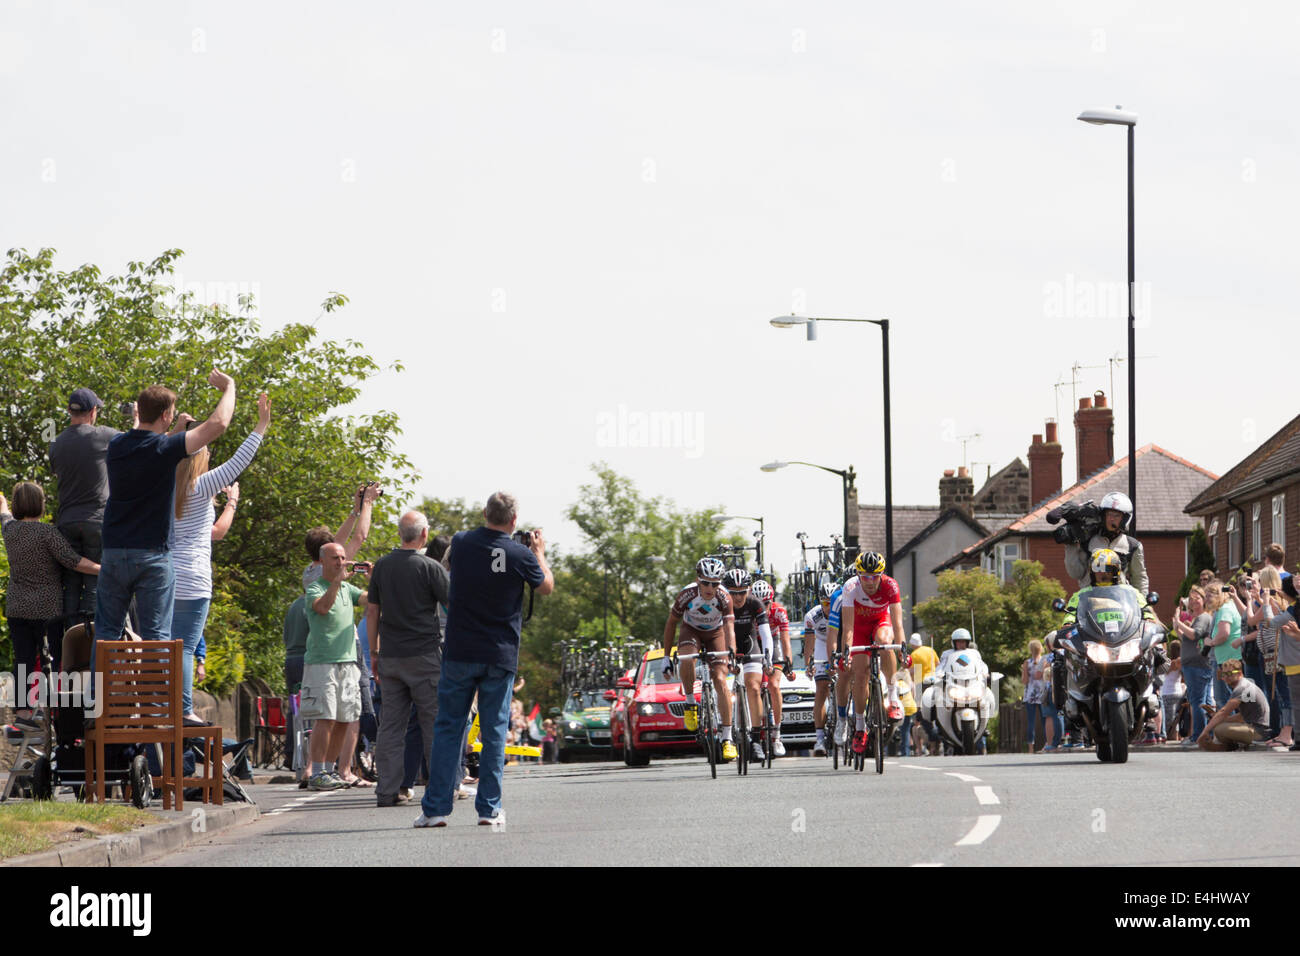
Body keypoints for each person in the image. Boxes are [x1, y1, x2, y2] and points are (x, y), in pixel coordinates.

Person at [415, 492, 553, 829]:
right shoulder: (520, 553)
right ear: (514, 521)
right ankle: (489, 809)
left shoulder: (462, 543)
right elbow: (545, 587)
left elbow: (445, 567)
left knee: (448, 727)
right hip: (499, 652)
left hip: (461, 649)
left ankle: (435, 809)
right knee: (493, 732)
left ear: (484, 513)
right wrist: (539, 553)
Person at [94, 370, 236, 644]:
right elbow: (218, 423)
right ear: (166, 416)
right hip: (152, 555)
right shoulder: (165, 448)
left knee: (107, 635)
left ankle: (97, 689)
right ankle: (155, 689)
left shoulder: (117, 446)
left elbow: (145, 444)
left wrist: (173, 429)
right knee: (156, 636)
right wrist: (229, 387)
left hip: (113, 551)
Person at [169, 391, 270, 722]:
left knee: (163, 647)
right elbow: (241, 460)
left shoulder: (163, 484)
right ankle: (183, 711)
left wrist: (174, 436)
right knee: (184, 648)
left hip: (164, 578)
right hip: (194, 580)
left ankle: (161, 707)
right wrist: (261, 425)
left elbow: (151, 453)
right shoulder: (201, 486)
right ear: (201, 460)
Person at [365, 510, 449, 808]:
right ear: (424, 534)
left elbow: (372, 611)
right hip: (425, 655)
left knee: (391, 726)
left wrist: (374, 653)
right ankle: (441, 788)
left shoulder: (383, 567)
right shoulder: (430, 568)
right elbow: (453, 605)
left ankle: (386, 790)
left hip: (390, 656)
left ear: (401, 534)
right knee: (433, 724)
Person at [1, 485, 100, 726]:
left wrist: (2, 501)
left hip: (17, 608)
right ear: (40, 503)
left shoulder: (9, 529)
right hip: (48, 610)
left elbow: (3, 512)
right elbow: (72, 561)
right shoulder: (48, 533)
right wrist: (101, 568)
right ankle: (59, 709)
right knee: (56, 659)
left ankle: (23, 713)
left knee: (23, 659)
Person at [48, 387, 127, 630]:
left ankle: (69, 643)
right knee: (94, 578)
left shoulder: (56, 443)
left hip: (67, 522)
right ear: (92, 411)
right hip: (96, 520)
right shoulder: (102, 436)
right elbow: (136, 441)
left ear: (70, 412)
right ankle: (91, 642)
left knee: (71, 582)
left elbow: (55, 468)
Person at [301, 543, 368, 790]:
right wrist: (338, 583)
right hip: (322, 662)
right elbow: (322, 607)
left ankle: (330, 770)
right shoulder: (315, 587)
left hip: (348, 661)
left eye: (343, 557)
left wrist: (375, 579)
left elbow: (371, 600)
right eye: (335, 558)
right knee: (325, 717)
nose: (341, 562)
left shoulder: (348, 588)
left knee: (344, 718)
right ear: (323, 561)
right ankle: (317, 772)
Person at [660, 557, 738, 760]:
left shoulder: (724, 597)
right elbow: (671, 623)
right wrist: (666, 657)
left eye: (715, 583)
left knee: (720, 680)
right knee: (686, 659)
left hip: (715, 633)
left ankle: (727, 739)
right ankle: (689, 702)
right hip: (691, 631)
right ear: (698, 580)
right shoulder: (687, 594)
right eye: (705, 582)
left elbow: (729, 626)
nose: (710, 588)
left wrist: (732, 651)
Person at [835, 550, 906, 755]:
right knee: (860, 674)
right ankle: (859, 727)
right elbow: (847, 628)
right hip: (858, 628)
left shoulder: (890, 586)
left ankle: (892, 697)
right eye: (865, 576)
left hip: (880, 622)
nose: (869, 581)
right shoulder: (850, 588)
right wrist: (845, 653)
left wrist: (902, 649)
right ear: (858, 575)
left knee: (885, 641)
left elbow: (898, 623)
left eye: (874, 576)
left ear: (881, 575)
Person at [722, 568, 774, 762]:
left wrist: (767, 656)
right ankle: (724, 732)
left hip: (749, 643)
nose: (738, 597)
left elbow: (766, 634)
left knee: (753, 687)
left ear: (749, 590)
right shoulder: (720, 604)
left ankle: (755, 738)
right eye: (733, 593)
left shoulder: (755, 603)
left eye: (742, 592)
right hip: (726, 643)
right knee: (723, 686)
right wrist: (727, 659)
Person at [1243, 567, 1293, 748]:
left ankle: (1287, 733)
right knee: (1279, 693)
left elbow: (1252, 620)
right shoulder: (1272, 601)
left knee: (1283, 693)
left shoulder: (1271, 602)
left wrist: (1250, 601)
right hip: (1270, 653)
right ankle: (1282, 731)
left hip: (1276, 653)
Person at [1063, 491, 1149, 593]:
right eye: (1109, 514)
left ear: (1124, 519)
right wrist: (1070, 545)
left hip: (1120, 602)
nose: (1111, 519)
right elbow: (1076, 573)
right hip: (1089, 601)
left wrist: (1144, 605)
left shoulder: (1133, 546)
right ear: (1103, 515)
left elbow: (1139, 578)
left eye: (1116, 515)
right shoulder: (1088, 540)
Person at [1170, 586, 1215, 745]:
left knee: (1197, 701)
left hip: (1197, 665)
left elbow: (1194, 634)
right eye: (1192, 597)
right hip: (1193, 665)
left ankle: (1198, 735)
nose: (1194, 600)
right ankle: (1210, 733)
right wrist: (1177, 623)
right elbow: (1186, 638)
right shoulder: (1196, 618)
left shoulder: (1203, 617)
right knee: (1205, 702)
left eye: (1198, 598)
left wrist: (1179, 623)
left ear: (1203, 601)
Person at [751, 578, 791, 756]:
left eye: (766, 603)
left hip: (773, 643)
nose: (763, 607)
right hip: (754, 642)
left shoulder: (779, 611)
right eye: (759, 603)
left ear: (771, 601)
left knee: (774, 685)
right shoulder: (750, 611)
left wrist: (788, 660)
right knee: (753, 685)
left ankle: (777, 734)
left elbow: (784, 638)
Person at [1197, 660, 1271, 751]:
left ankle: (1227, 747)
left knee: (1219, 729)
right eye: (1224, 674)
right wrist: (1221, 719)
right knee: (1220, 723)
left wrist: (1204, 732)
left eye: (1230, 673)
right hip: (1257, 728)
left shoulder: (1242, 688)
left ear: (1239, 673)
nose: (1226, 677)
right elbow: (1241, 716)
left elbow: (1224, 712)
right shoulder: (1247, 684)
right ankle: (1233, 746)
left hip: (1259, 732)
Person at [802, 581, 837, 756]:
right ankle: (820, 738)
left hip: (839, 642)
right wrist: (809, 663)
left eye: (832, 603)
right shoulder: (812, 616)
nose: (828, 607)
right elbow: (809, 643)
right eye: (825, 603)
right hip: (822, 643)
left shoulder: (844, 612)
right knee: (821, 688)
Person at [1202, 579, 1243, 707]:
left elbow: (1224, 633)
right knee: (1231, 697)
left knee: (1223, 699)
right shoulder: (1226, 607)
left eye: (1209, 595)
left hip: (1227, 661)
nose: (1206, 599)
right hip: (1228, 659)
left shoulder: (1225, 609)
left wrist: (1211, 642)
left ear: (1218, 594)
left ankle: (1227, 727)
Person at [1022, 639, 1049, 752]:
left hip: (1030, 694)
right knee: (1045, 721)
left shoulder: (1027, 663)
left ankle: (1030, 748)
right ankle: (1047, 744)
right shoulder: (1045, 661)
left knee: (1031, 722)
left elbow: (1025, 681)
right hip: (1042, 693)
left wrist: (1024, 671)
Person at [1159, 641, 1184, 743]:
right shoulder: (1180, 662)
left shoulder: (1169, 662)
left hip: (1167, 693)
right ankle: (1176, 736)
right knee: (1175, 718)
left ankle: (1171, 736)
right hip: (1178, 691)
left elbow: (1165, 672)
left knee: (1169, 718)